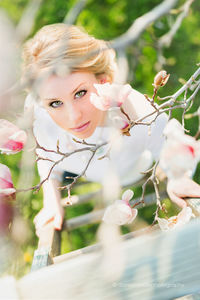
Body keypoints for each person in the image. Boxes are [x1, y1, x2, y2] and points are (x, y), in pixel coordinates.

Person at [22, 23, 200, 234]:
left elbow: (171, 144)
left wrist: (177, 178)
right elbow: (46, 154)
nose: (73, 117)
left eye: (80, 93)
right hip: (79, 168)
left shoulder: (135, 112)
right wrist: (51, 199)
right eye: (55, 103)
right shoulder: (39, 115)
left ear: (103, 81)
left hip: (135, 168)